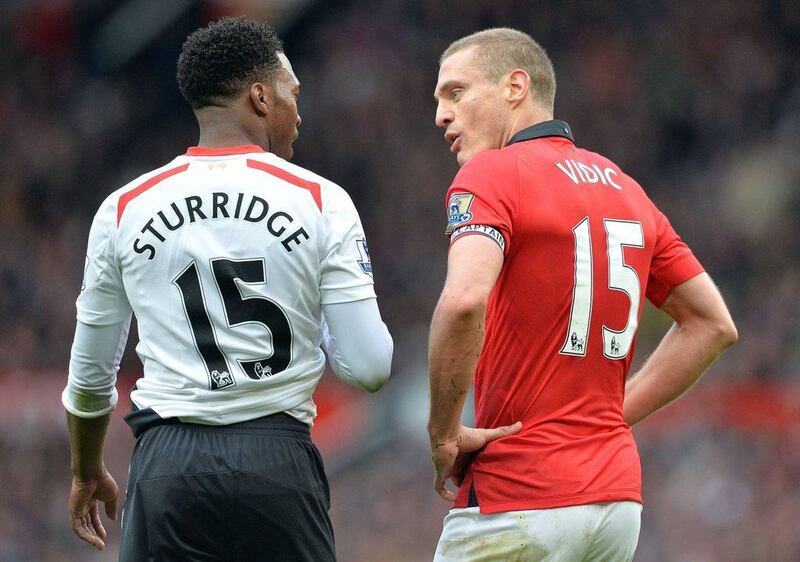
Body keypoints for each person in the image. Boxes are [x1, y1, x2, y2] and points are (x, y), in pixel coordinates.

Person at [62, 17, 392, 562]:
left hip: (167, 466)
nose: (299, 113)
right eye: (293, 94)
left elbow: (90, 379)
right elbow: (371, 366)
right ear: (260, 98)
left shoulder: (123, 207)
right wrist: (320, 322)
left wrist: (85, 469)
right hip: (277, 462)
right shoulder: (321, 201)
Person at [428, 28, 737, 561]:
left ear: (515, 87)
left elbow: (462, 302)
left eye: (455, 92)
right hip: (615, 503)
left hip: (517, 497)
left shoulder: (493, 172)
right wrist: (609, 421)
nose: (441, 115)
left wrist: (443, 435)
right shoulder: (626, 187)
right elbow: (713, 325)